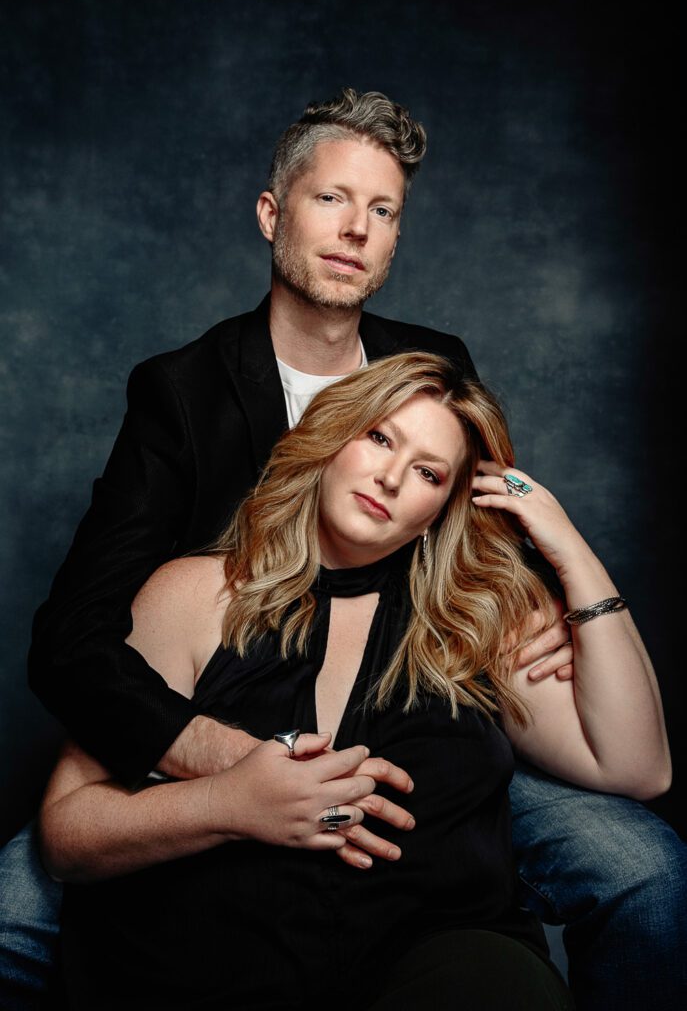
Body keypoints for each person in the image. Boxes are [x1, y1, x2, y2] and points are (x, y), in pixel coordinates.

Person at [1, 88, 685, 1010]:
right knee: (18, 905)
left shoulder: (432, 364)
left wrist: (559, 614)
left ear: (397, 237)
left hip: (421, 739)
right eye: (331, 199)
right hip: (233, 730)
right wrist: (226, 765)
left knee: (641, 869)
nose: (355, 229)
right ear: (272, 214)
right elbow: (73, 640)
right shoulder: (182, 391)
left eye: (382, 209)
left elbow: (469, 543)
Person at [39, 352, 670, 1010]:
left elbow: (635, 768)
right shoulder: (193, 594)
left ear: (440, 509)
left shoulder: (479, 611)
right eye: (378, 437)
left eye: (428, 472)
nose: (392, 477)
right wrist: (227, 805)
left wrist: (566, 548)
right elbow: (69, 836)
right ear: (332, 438)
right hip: (212, 962)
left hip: (436, 967)